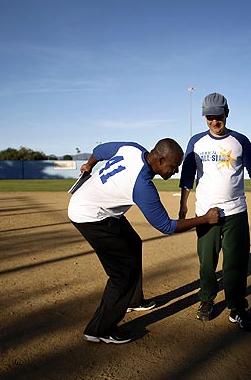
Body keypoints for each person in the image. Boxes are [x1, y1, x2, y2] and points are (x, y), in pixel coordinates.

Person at [68, 138, 220, 344]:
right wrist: (205, 219)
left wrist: (90, 164)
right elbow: (166, 226)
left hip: (97, 206)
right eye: (173, 167)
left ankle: (133, 301)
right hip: (91, 216)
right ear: (160, 160)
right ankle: (99, 329)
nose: (174, 172)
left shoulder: (132, 149)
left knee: (133, 243)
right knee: (122, 274)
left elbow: (99, 150)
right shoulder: (142, 185)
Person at [178, 92, 251, 332]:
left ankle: (237, 308)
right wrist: (183, 205)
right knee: (207, 262)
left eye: (217, 116)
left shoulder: (240, 140)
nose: (213, 122)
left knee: (236, 263)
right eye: (209, 117)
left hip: (236, 212)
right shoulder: (196, 142)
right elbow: (187, 176)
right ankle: (207, 300)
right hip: (205, 213)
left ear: (226, 113)